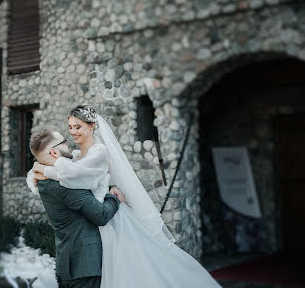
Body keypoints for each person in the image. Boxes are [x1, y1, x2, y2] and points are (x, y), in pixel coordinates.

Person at [27, 104, 222, 288]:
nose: (72, 133)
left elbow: (73, 175)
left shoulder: (98, 152)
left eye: (77, 126)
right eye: (70, 128)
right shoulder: (76, 157)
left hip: (110, 219)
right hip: (99, 222)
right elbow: (76, 175)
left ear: (92, 126)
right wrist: (41, 167)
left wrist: (43, 168)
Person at [28, 130, 126, 288]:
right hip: (83, 267)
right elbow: (101, 215)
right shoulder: (64, 185)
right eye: (64, 143)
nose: (68, 145)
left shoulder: (44, 179)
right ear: (53, 151)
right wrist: (114, 198)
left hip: (69, 264)